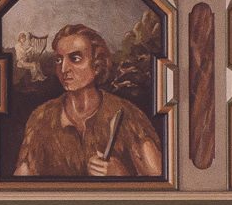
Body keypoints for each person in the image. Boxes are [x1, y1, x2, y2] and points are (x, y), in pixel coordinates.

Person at [12, 23, 163, 178]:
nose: (63, 69)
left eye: (75, 58)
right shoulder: (41, 118)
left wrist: (120, 175)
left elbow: (160, 182)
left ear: (97, 65)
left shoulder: (127, 115)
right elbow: (21, 183)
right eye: (58, 60)